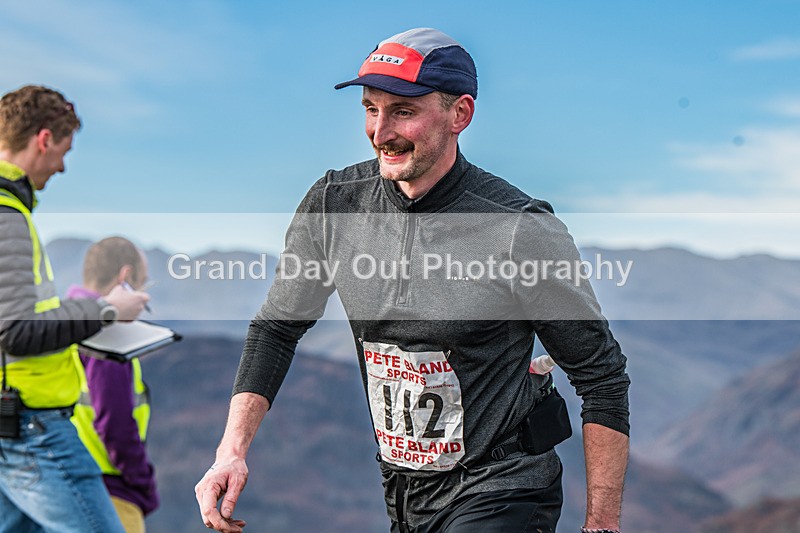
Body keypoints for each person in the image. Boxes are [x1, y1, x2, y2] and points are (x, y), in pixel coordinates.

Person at [195, 28, 630, 533]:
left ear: (459, 115)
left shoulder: (519, 228)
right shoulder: (335, 203)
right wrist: (231, 452)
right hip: (404, 493)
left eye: (403, 111)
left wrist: (601, 522)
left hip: (505, 486)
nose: (381, 132)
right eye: (370, 109)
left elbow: (600, 375)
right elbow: (276, 328)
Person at [0, 85, 149, 533]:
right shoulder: (7, 214)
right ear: (44, 139)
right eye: (63, 150)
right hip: (33, 427)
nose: (63, 165)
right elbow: (16, 331)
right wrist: (107, 309)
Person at [69, 236, 159, 533]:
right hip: (109, 491)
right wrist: (141, 480)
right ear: (126, 277)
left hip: (62, 481)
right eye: (143, 284)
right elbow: (114, 420)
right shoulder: (108, 333)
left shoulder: (62, 322)